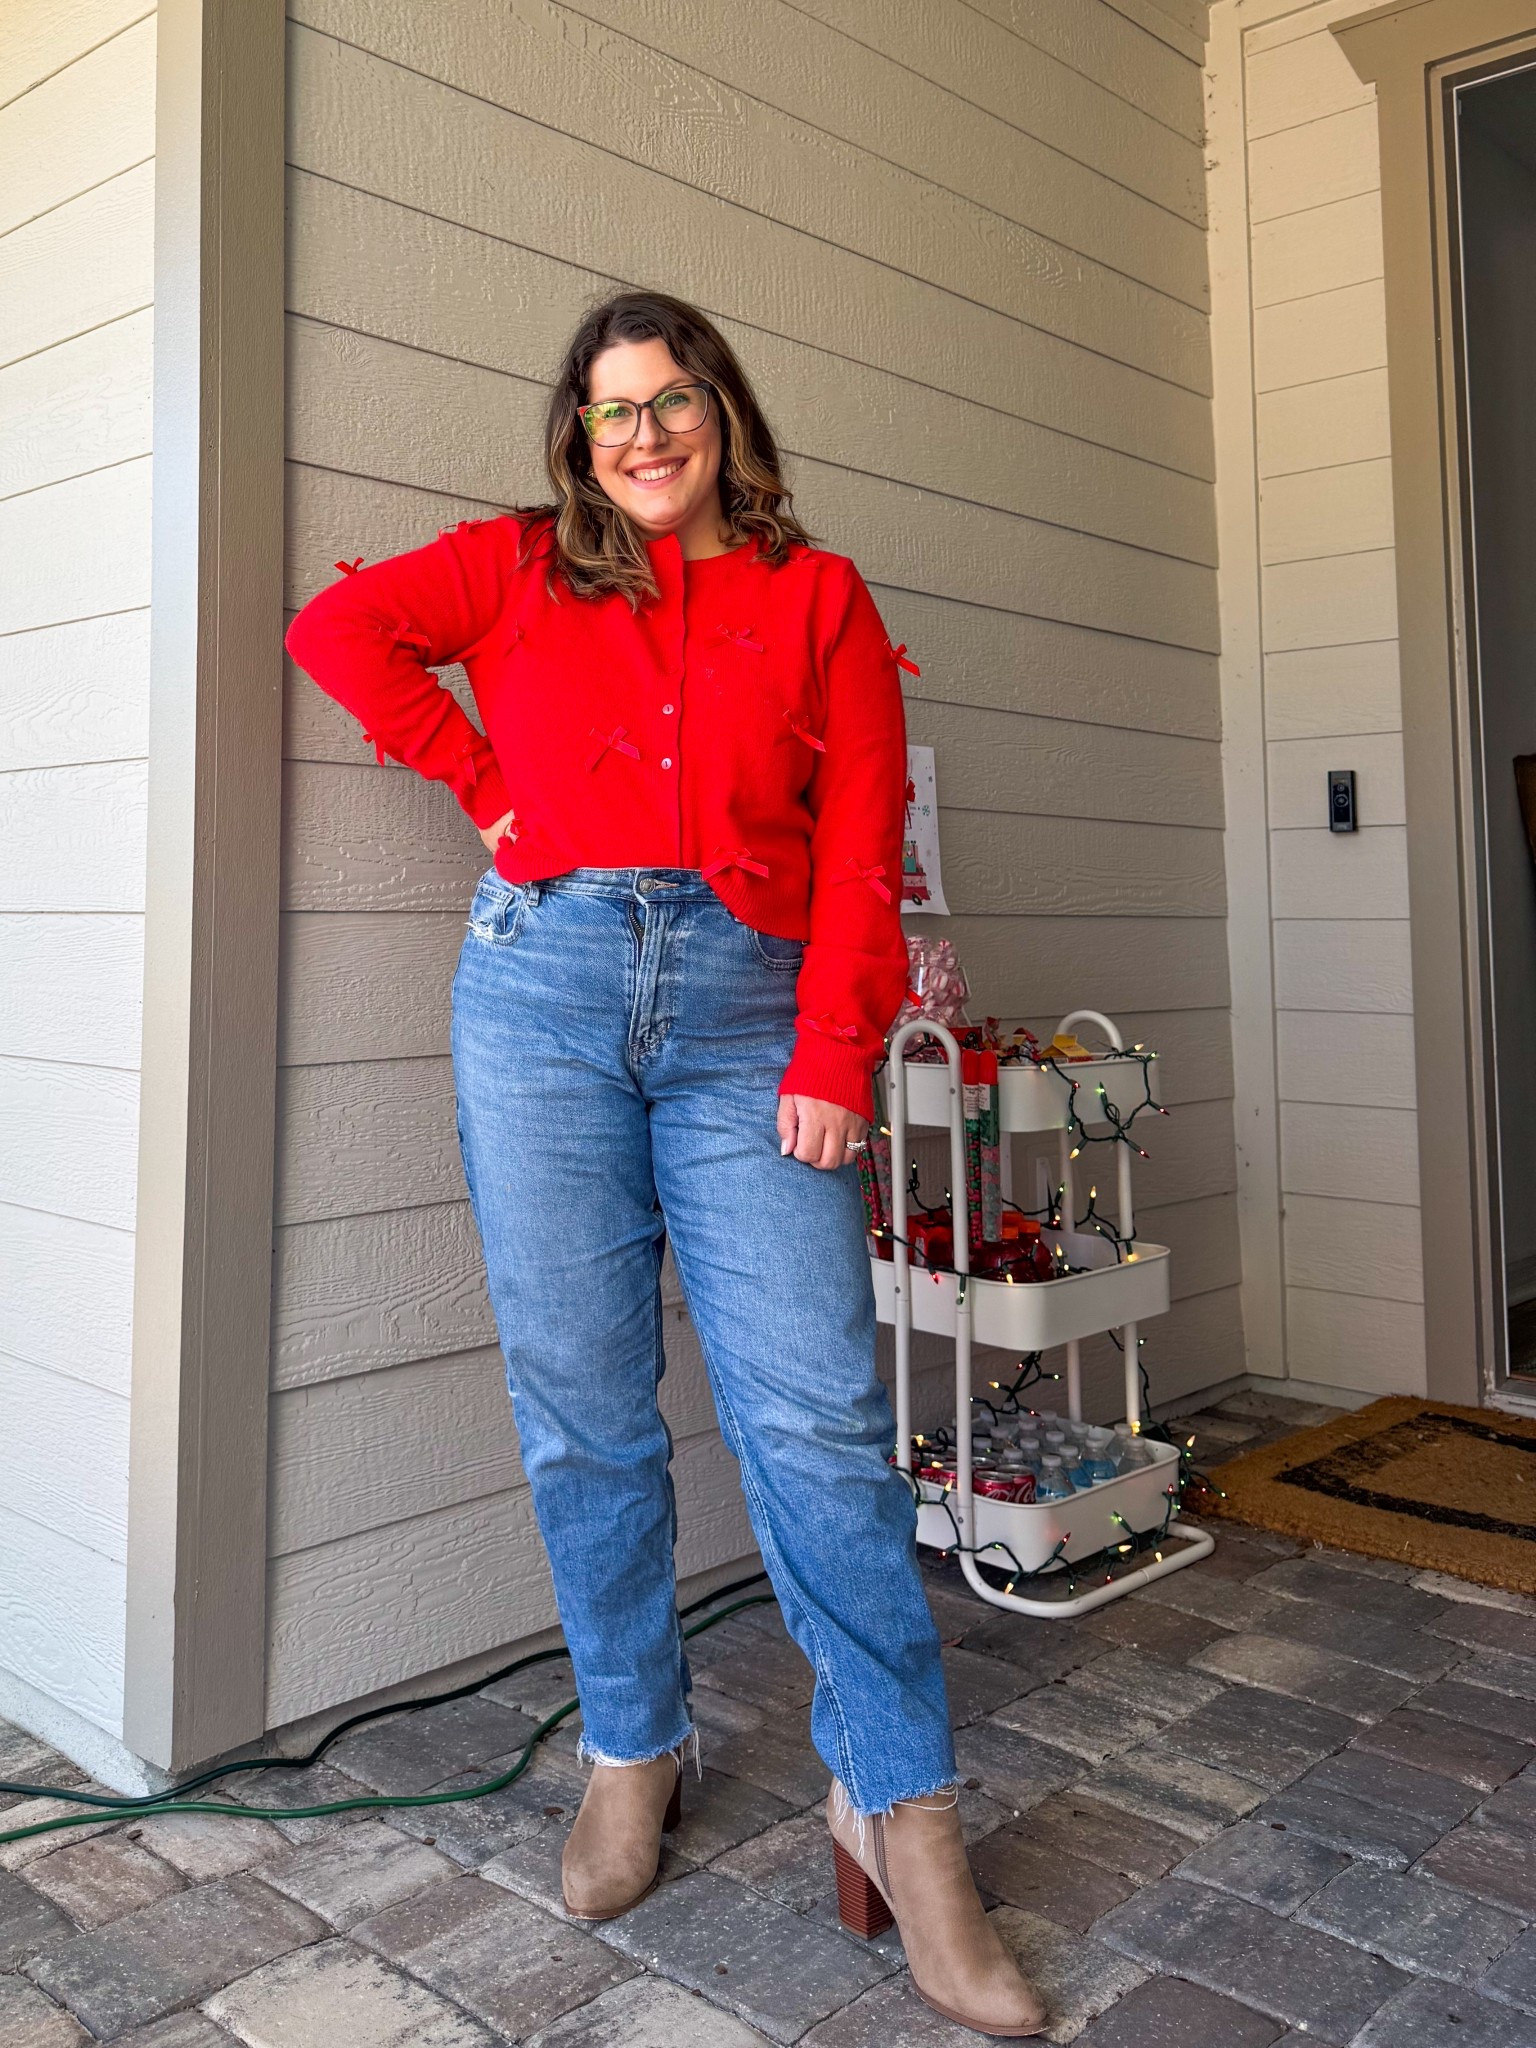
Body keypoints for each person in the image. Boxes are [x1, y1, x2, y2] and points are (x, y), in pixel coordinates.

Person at [285, 289, 1045, 2037]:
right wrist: (481, 780)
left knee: (817, 1419)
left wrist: (835, 1050)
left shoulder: (816, 595)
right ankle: (635, 1739)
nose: (642, 434)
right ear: (578, 432)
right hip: (539, 995)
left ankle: (899, 1807)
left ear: (724, 418)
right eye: (611, 408)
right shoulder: (513, 569)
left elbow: (862, 836)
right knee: (583, 1402)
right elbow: (340, 633)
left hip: (748, 1014)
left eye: (673, 401)